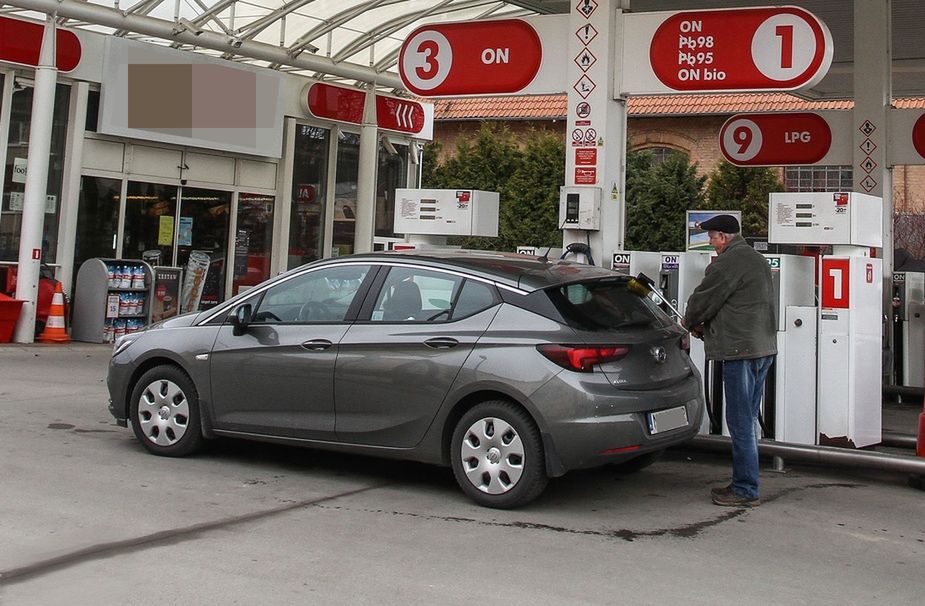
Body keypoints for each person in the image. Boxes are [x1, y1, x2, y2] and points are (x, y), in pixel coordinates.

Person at [682, 215, 777, 507]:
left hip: (739, 352)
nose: (710, 242)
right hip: (763, 348)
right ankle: (747, 482)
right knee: (747, 420)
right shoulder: (758, 260)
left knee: (738, 422)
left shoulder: (727, 263)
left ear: (723, 237)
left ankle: (745, 488)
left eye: (712, 237)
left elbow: (703, 300)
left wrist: (688, 324)